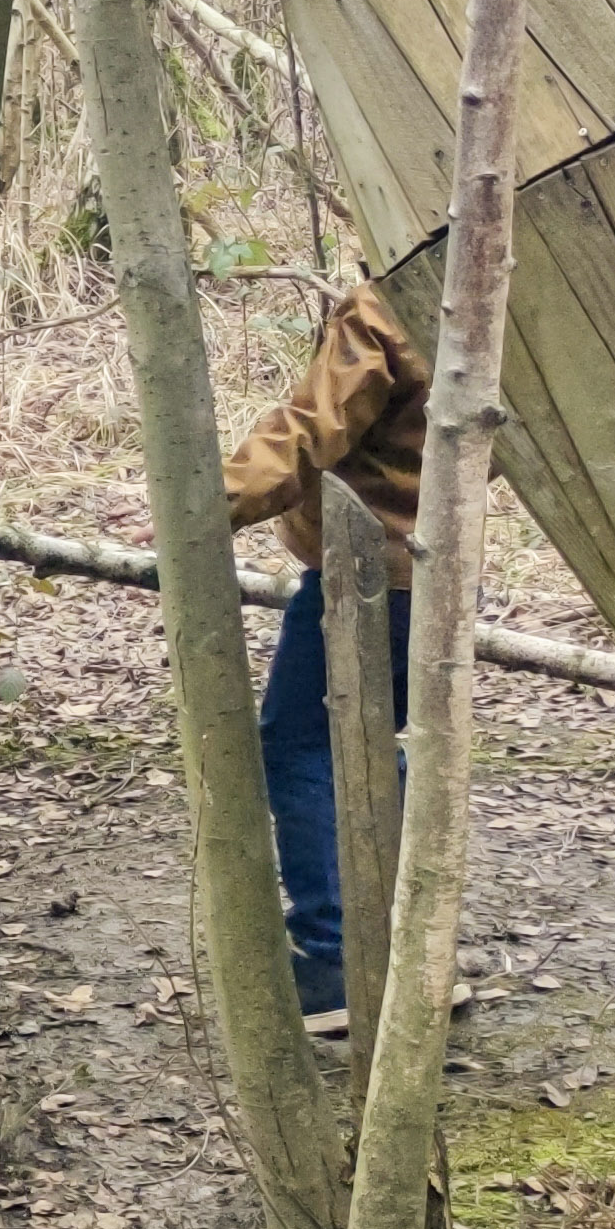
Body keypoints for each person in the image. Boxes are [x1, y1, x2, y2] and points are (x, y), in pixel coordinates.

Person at [223, 275, 426, 1036]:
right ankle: (406, 948)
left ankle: (337, 957)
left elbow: (312, 427)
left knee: (302, 742)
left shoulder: (396, 306)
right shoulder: (508, 297)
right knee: (372, 744)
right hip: (433, 570)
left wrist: (210, 504)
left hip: (367, 568)